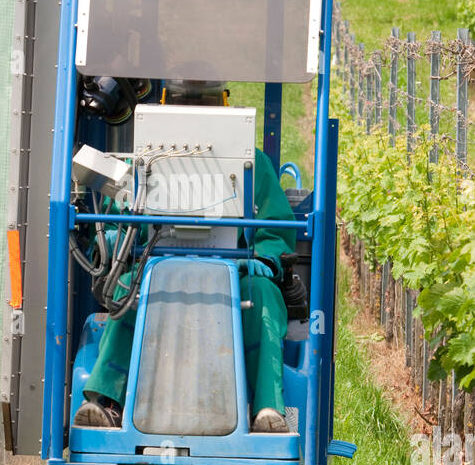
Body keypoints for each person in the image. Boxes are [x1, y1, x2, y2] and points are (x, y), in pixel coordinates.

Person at [73, 78, 305, 433]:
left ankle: (266, 410)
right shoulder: (143, 162)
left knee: (263, 294)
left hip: (236, 278)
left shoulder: (252, 163)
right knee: (128, 290)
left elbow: (275, 230)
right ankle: (107, 405)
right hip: (153, 272)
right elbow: (116, 223)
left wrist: (263, 259)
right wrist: (126, 250)